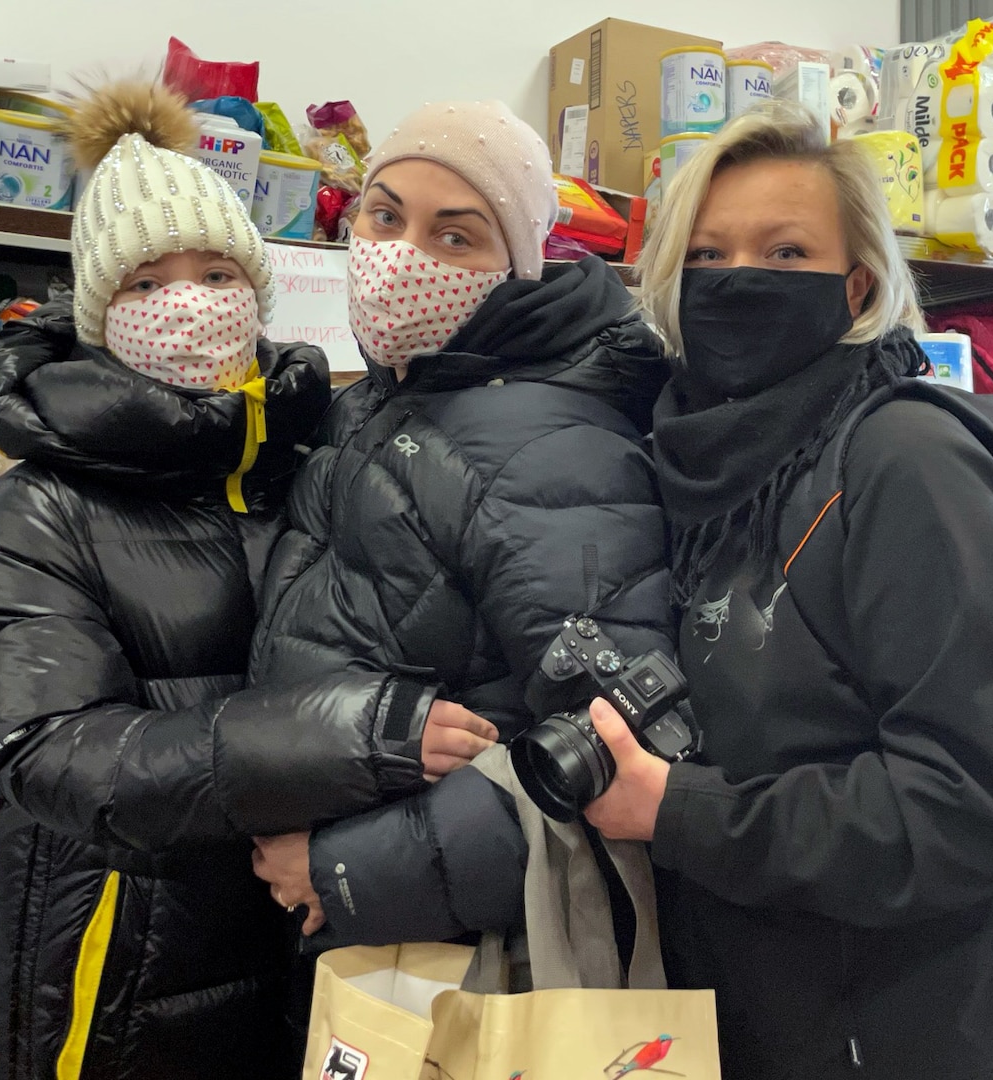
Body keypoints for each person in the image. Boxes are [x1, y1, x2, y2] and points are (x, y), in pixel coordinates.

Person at [580, 104, 993, 1080]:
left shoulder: (911, 463)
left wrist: (683, 813)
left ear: (857, 285)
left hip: (911, 1039)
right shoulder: (702, 468)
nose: (738, 279)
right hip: (766, 1022)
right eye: (709, 253)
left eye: (785, 249)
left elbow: (977, 808)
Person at [0, 81, 330, 1080]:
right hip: (123, 963)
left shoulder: (310, 468)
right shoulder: (39, 510)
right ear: (97, 316)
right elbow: (55, 753)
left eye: (217, 271)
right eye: (146, 284)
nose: (191, 304)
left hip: (311, 935)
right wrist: (331, 755)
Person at [242, 100, 673, 962]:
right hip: (351, 931)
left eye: (456, 237)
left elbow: (618, 742)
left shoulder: (549, 446)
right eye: (387, 215)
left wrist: (344, 869)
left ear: (515, 265)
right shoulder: (376, 400)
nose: (401, 258)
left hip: (455, 954)